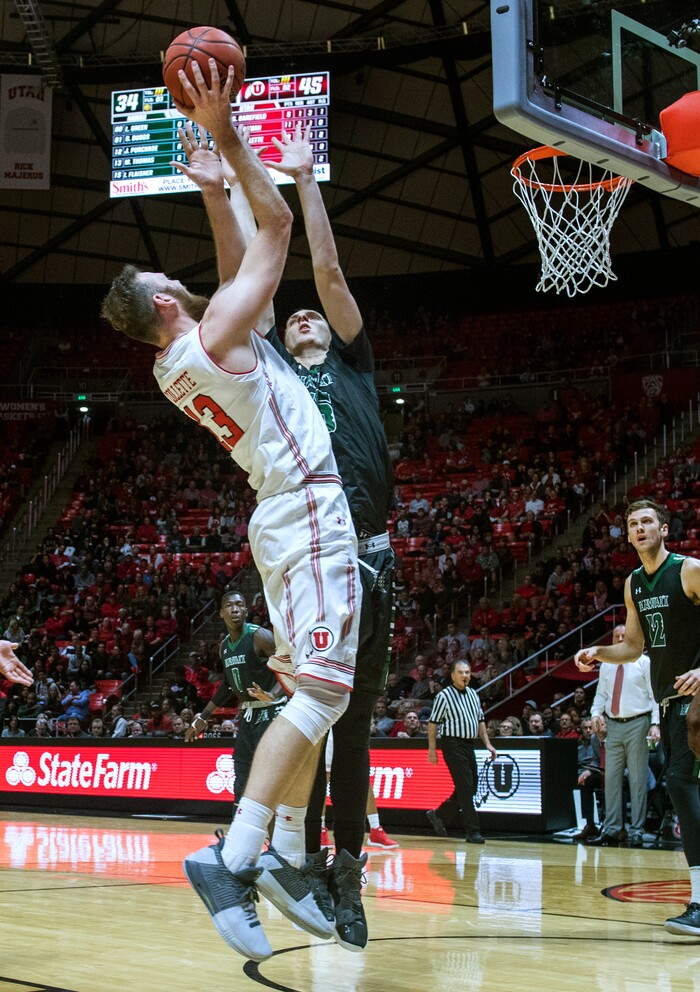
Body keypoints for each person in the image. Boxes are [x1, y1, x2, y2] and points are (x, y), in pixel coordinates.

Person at [100, 61, 359, 962]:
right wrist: (233, 134)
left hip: (281, 517)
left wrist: (212, 189)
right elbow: (277, 232)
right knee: (326, 688)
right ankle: (239, 852)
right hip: (308, 512)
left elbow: (234, 265)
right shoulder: (212, 337)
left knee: (309, 689)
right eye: (166, 277)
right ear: (166, 303)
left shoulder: (186, 353)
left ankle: (287, 852)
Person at [261, 123, 395, 949]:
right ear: (281, 339)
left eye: (317, 318)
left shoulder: (352, 365)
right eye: (296, 319)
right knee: (311, 717)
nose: (308, 318)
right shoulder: (273, 374)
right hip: (313, 560)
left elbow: (328, 271)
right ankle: (296, 858)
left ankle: (346, 872)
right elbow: (266, 286)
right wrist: (240, 193)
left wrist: (306, 181)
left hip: (372, 559)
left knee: (354, 729)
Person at [575, 499, 700, 936]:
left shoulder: (688, 570)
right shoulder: (634, 584)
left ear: (665, 529)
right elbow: (633, 648)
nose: (640, 527)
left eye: (648, 521)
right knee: (684, 786)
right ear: (627, 536)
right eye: (633, 524)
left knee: (682, 784)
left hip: (696, 697)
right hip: (668, 701)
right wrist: (597, 653)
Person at [185, 590, 283, 805]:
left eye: (239, 604)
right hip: (247, 715)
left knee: (267, 777)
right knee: (241, 776)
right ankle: (241, 834)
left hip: (271, 713)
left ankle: (275, 836)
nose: (235, 609)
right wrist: (203, 717)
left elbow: (289, 667)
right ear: (221, 613)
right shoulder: (224, 647)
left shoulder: (260, 636)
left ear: (246, 610)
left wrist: (272, 695)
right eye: (229, 605)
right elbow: (227, 686)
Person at [587, 624, 660, 848]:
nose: (620, 639)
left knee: (638, 779)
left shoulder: (644, 663)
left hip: (639, 722)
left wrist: (656, 723)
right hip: (613, 725)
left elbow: (655, 695)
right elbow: (600, 695)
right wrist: (595, 713)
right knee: (611, 779)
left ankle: (636, 830)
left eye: (624, 636)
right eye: (617, 637)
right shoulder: (606, 666)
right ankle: (612, 829)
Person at [425, 660, 497, 844]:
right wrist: (432, 749)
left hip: (468, 743)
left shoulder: (473, 694)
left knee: (471, 787)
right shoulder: (444, 696)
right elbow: (433, 723)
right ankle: (473, 831)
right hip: (452, 743)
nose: (464, 675)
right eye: (460, 672)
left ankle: (438, 814)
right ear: (453, 675)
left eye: (467, 672)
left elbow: (480, 720)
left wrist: (488, 744)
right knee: (465, 786)